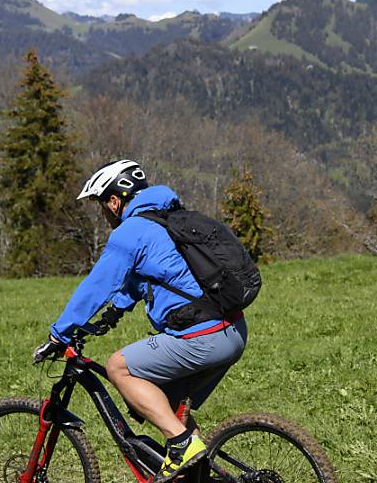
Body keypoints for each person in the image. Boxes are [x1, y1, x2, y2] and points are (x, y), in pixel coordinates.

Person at [33, 160, 248, 483]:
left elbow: (96, 286)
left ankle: (182, 446)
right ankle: (196, 472)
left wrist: (58, 334)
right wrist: (113, 314)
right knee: (170, 404)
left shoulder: (130, 231)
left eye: (102, 205)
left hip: (203, 336)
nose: (104, 214)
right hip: (232, 330)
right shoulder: (166, 218)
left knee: (118, 366)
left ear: (115, 200)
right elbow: (144, 279)